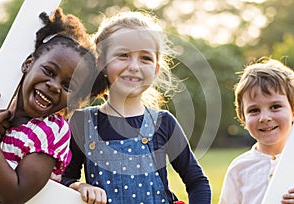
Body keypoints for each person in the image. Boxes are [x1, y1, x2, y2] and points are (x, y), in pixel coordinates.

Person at [61, 11, 211, 204]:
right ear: (101, 63)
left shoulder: (163, 123)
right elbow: (63, 179)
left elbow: (197, 182)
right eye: (123, 55)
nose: (134, 66)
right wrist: (79, 186)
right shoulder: (82, 122)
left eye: (145, 58)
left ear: (156, 69)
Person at [0, 8, 105, 204]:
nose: (54, 86)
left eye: (67, 86)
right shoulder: (2, 108)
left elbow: (13, 195)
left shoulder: (51, 131)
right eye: (49, 71)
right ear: (29, 63)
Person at [219, 58, 294, 204]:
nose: (265, 118)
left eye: (275, 106)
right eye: (254, 110)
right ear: (243, 118)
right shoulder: (239, 169)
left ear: (293, 109)